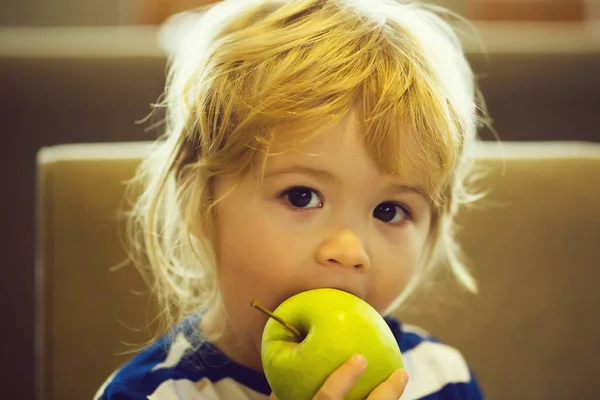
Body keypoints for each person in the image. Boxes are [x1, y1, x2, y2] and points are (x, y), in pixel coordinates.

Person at [96, 0, 489, 398]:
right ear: (196, 199)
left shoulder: (441, 379)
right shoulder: (150, 393)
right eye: (302, 197)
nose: (350, 250)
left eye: (390, 211)